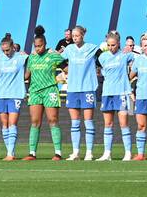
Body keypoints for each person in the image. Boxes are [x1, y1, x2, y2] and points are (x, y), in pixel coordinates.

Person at [24, 27, 64, 161]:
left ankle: (58, 153)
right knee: (35, 122)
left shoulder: (52, 55)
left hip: (50, 90)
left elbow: (67, 68)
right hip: (35, 91)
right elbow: (27, 75)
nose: (38, 48)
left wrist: (61, 77)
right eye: (35, 46)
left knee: (53, 120)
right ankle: (32, 153)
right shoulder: (32, 58)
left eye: (40, 46)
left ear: (45, 45)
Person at [60, 25, 99, 161]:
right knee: (75, 123)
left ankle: (89, 152)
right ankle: (75, 152)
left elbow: (102, 59)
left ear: (83, 35)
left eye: (77, 36)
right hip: (73, 89)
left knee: (88, 122)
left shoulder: (92, 48)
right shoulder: (69, 49)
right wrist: (66, 70)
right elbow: (58, 61)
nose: (75, 38)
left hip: (87, 88)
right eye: (73, 36)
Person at [97, 31, 135, 161]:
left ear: (118, 44)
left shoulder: (124, 55)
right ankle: (107, 153)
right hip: (107, 93)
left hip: (122, 93)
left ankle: (128, 153)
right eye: (109, 45)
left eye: (113, 45)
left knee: (123, 123)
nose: (111, 47)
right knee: (108, 123)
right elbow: (99, 69)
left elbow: (140, 58)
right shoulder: (103, 57)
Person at [0, 33, 27, 161]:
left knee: (12, 124)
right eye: (3, 50)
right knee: (4, 124)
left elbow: (35, 59)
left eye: (8, 50)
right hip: (1, 94)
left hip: (15, 94)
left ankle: (10, 154)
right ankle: (9, 152)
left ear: (13, 47)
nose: (6, 53)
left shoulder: (21, 57)